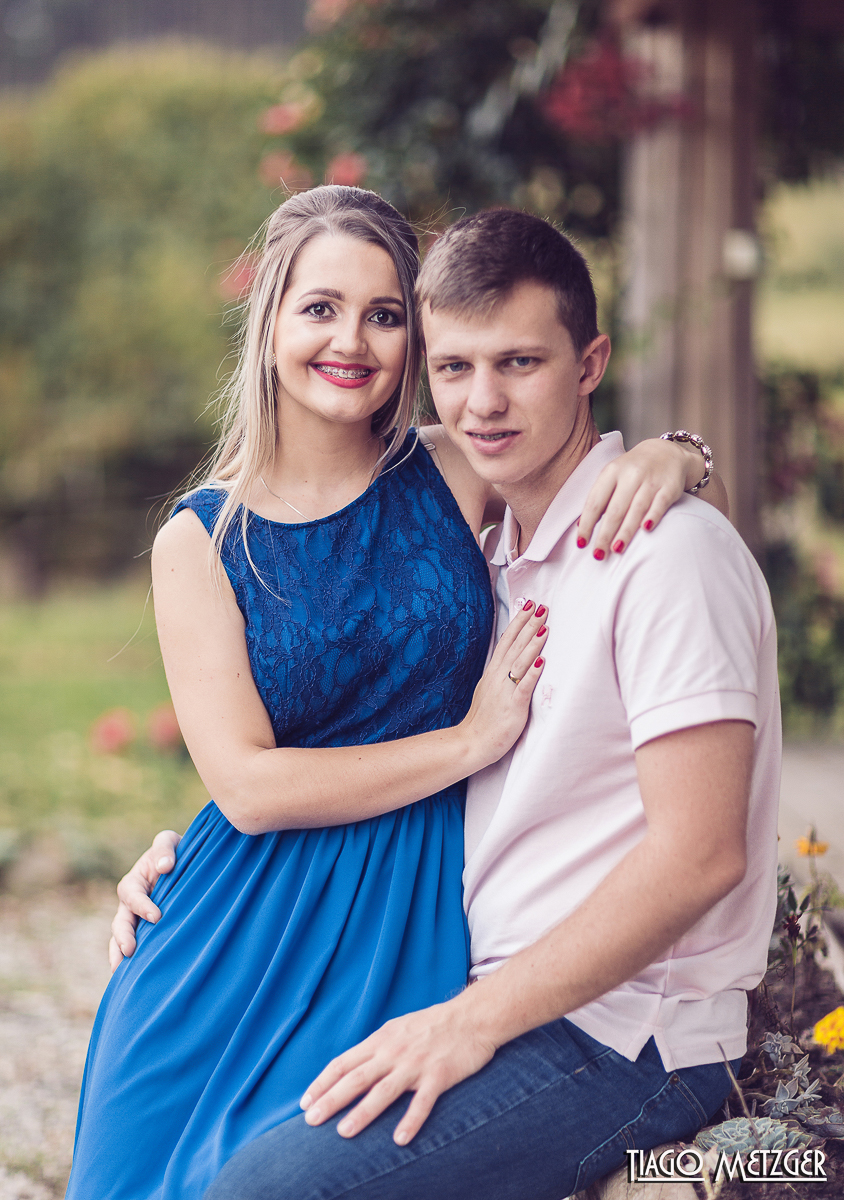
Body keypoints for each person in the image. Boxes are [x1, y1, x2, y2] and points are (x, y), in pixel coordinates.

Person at [85, 188, 721, 1200]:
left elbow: (586, 474)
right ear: (271, 324)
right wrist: (469, 742)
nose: (351, 341)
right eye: (320, 308)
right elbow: (246, 788)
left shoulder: (454, 467)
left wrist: (675, 454)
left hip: (404, 916)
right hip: (232, 934)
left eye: (383, 315)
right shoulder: (200, 538)